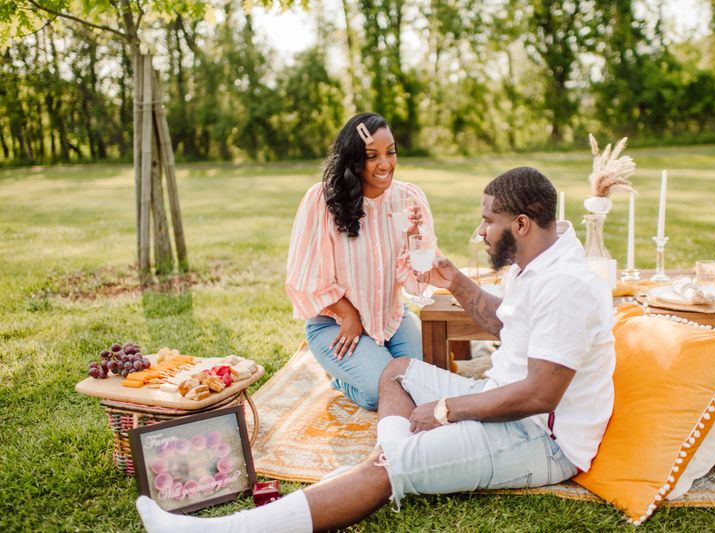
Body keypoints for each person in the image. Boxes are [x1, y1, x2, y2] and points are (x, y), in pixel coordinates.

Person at [136, 166, 615, 533]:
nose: (481, 232)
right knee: (399, 370)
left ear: (523, 223)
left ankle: (224, 529)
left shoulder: (566, 286)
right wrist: (458, 282)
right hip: (508, 402)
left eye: (488, 222)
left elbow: (539, 396)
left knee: (387, 468)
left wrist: (446, 410)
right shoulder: (539, 261)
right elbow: (506, 324)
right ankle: (396, 455)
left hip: (539, 439)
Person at [283, 112, 435, 411]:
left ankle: (368, 363)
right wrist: (349, 314)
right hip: (336, 325)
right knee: (383, 395)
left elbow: (418, 281)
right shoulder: (322, 201)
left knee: (421, 388)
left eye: (390, 152)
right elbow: (304, 277)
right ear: (354, 160)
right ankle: (343, 379)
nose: (385, 164)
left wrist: (418, 239)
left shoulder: (409, 198)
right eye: (372, 156)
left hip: (392, 319)